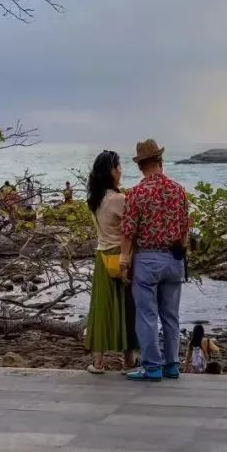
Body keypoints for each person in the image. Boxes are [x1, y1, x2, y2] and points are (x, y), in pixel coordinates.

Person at [121, 139, 190, 382]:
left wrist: (124, 264)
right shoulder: (178, 191)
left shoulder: (136, 193)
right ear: (160, 161)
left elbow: (128, 232)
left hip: (147, 259)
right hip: (173, 259)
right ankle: (172, 364)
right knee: (171, 315)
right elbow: (185, 230)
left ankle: (152, 367)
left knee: (147, 315)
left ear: (140, 166)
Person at [83, 151, 137, 374]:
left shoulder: (94, 199)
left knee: (101, 308)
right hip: (121, 255)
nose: (120, 171)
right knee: (127, 308)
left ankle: (98, 362)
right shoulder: (118, 199)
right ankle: (129, 361)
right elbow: (131, 229)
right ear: (111, 171)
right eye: (118, 167)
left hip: (102, 256)